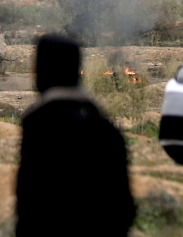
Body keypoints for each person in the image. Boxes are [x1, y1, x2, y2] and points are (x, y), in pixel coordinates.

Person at [16, 34, 136, 237]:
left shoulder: (38, 124)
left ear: (41, 70)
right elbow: (123, 206)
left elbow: (29, 202)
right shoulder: (105, 126)